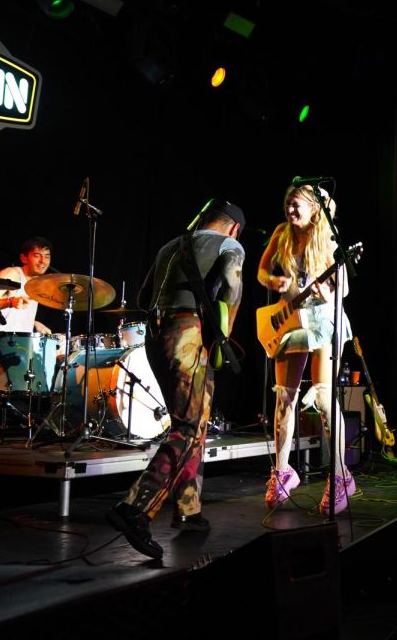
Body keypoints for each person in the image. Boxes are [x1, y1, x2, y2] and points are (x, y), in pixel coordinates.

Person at [106, 200, 245, 559]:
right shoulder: (230, 246)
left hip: (156, 335)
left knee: (188, 425)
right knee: (190, 425)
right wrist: (222, 337)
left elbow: (142, 297)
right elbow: (231, 288)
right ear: (233, 228)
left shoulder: (170, 245)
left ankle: (189, 509)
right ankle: (135, 508)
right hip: (189, 332)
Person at [258, 182, 355, 515]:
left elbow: (341, 291)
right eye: (288, 204)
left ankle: (340, 475)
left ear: (314, 207)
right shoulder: (282, 234)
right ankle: (283, 470)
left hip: (323, 321)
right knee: (284, 396)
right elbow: (261, 271)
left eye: (296, 204)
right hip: (291, 322)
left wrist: (325, 292)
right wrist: (275, 282)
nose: (290, 210)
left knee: (324, 396)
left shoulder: (327, 237)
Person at [0, 237, 54, 335]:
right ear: (24, 258)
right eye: (37, 255)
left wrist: (34, 323)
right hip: (0, 342)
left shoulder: (37, 283)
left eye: (47, 256)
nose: (43, 261)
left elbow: (14, 317)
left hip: (22, 344)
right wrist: (10, 302)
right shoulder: (12, 274)